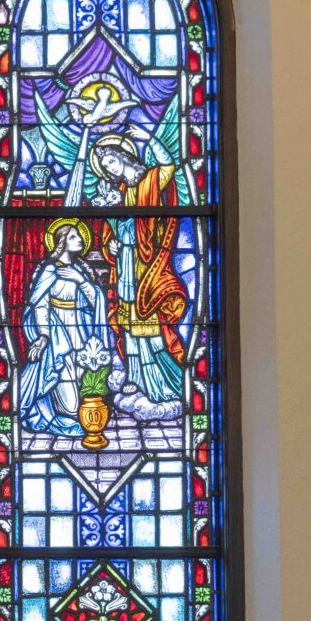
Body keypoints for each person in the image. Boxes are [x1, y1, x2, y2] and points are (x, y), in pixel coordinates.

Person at [92, 127, 187, 407]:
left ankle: (163, 381)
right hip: (125, 265)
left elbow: (168, 165)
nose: (110, 169)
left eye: (111, 161)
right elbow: (115, 231)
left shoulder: (150, 180)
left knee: (149, 320)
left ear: (124, 156)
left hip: (148, 263)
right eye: (106, 166)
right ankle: (135, 376)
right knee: (128, 324)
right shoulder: (120, 191)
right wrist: (109, 244)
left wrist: (148, 136)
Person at [20, 218, 109, 436]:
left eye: (79, 236)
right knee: (70, 407)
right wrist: (42, 336)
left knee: (84, 387)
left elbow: (96, 300)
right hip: (58, 336)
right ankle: (49, 412)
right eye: (73, 237)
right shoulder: (50, 270)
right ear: (61, 242)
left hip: (81, 332)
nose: (79, 240)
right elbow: (39, 304)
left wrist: (82, 281)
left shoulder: (80, 270)